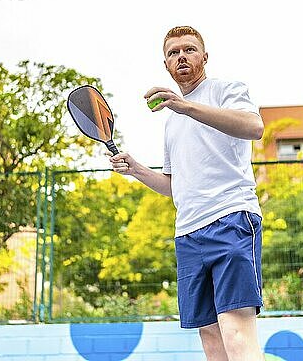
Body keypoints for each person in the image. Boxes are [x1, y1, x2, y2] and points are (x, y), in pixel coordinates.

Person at [110, 26, 265, 361]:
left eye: (189, 49)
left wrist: (185, 107)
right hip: (188, 234)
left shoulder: (226, 90)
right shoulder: (171, 121)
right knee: (210, 338)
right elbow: (173, 185)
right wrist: (136, 169)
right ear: (166, 64)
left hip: (232, 219)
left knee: (236, 332)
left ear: (204, 56)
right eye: (173, 52)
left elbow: (254, 127)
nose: (181, 56)